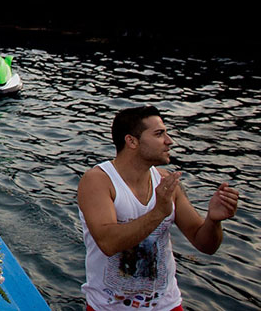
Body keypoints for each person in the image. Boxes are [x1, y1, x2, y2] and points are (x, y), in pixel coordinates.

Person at [77, 105, 239, 311]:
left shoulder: (165, 181)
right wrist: (158, 212)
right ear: (132, 141)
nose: (169, 141)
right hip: (109, 307)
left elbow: (205, 244)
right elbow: (108, 243)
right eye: (159, 134)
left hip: (167, 305)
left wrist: (214, 221)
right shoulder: (98, 181)